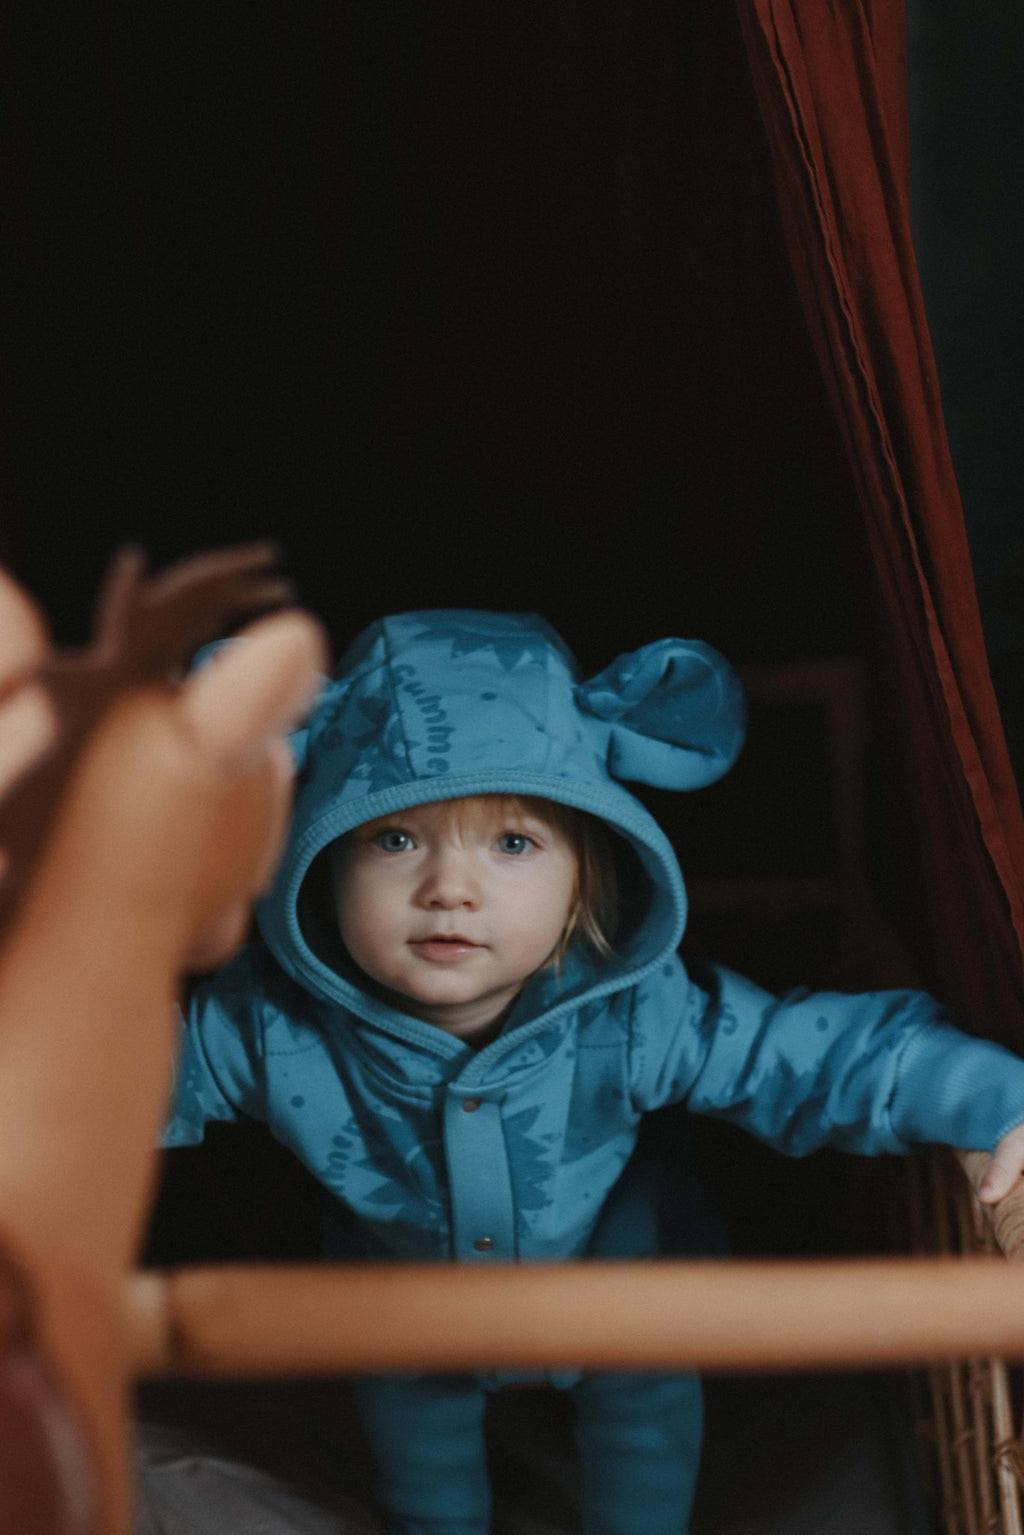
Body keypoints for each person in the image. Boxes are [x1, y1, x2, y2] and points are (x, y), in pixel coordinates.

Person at [168, 608, 1024, 1535]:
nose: (450, 889)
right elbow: (117, 1082)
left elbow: (822, 1056)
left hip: (621, 1292)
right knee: (418, 1446)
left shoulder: (637, 1014)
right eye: (396, 839)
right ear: (323, 857)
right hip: (401, 1304)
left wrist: (1000, 1101)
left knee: (646, 1417)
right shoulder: (268, 1025)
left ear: (585, 871)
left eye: (513, 843)